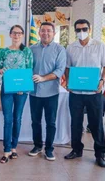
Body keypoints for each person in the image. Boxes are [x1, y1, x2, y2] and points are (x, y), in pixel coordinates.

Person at [64, 19, 105, 168]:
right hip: (76, 93)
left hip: (94, 93)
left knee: (96, 123)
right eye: (78, 30)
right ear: (75, 31)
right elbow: (67, 67)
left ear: (89, 29)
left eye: (84, 29)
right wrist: (68, 82)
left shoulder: (99, 46)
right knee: (76, 123)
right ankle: (76, 150)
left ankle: (100, 154)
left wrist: (103, 80)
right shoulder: (71, 47)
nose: (81, 32)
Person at [29, 22, 66, 161]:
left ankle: (49, 149)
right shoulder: (31, 49)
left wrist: (43, 78)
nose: (45, 33)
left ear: (53, 33)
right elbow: (26, 68)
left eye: (49, 31)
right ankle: (37, 146)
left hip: (51, 93)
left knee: (50, 122)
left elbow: (59, 70)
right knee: (35, 121)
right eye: (43, 30)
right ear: (39, 33)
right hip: (34, 93)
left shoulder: (60, 49)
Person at [0, 25, 33, 163]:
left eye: (19, 33)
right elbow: (0, 68)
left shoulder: (27, 52)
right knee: (8, 119)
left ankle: (14, 147)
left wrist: (22, 86)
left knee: (17, 118)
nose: (16, 35)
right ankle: (6, 150)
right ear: (10, 35)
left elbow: (29, 70)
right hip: (7, 88)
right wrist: (1, 71)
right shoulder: (4, 51)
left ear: (22, 35)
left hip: (21, 90)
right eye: (14, 33)